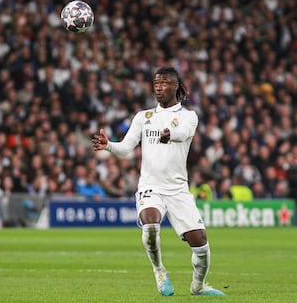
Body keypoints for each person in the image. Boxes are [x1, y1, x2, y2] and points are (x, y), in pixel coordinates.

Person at [92, 66, 225, 297]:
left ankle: (198, 286)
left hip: (178, 190)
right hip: (150, 187)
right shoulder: (144, 117)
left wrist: (169, 135)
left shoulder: (188, 116)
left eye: (164, 83)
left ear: (175, 85)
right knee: (151, 225)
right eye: (156, 84)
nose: (159, 88)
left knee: (201, 244)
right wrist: (110, 145)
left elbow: (183, 133)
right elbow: (126, 148)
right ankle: (159, 270)